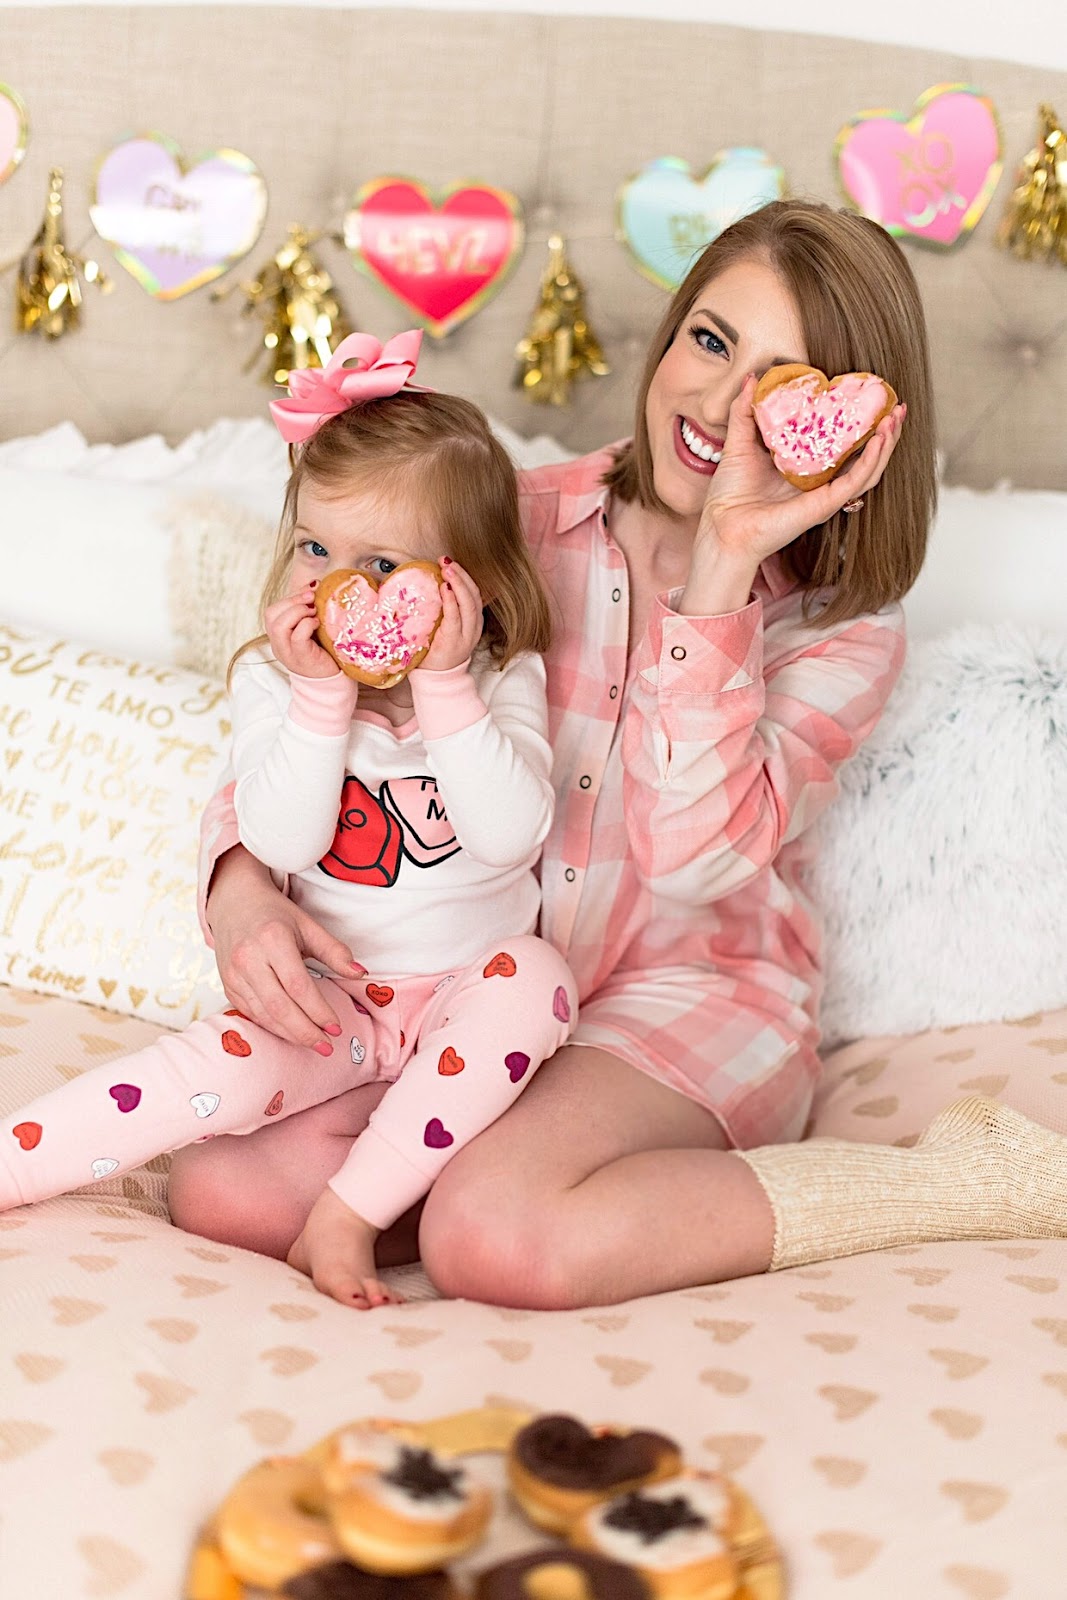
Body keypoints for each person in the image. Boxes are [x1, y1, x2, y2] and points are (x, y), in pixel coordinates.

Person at [175, 201, 1067, 1309]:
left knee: (490, 1236)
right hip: (472, 983)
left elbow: (690, 861)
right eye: (710, 340)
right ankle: (492, 1171)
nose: (720, 404)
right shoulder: (500, 525)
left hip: (684, 995)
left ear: (846, 424)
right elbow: (312, 713)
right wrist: (240, 893)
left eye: (779, 384)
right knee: (222, 1190)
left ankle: (934, 1184)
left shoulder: (840, 630)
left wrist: (723, 564)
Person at [0, 330, 577, 1308]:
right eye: (314, 548)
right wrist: (318, 701)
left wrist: (444, 684)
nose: (332, 586)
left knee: (537, 979)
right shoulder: (277, 682)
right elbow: (280, 841)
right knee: (207, 1090)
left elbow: (506, 834)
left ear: (465, 582)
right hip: (333, 1007)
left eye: (378, 562)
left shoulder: (499, 677)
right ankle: (17, 1163)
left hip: (466, 1007)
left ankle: (349, 1215)